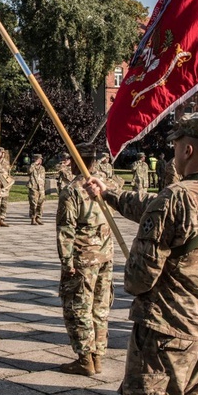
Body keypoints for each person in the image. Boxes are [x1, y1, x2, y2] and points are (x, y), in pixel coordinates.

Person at [84, 113, 198, 395]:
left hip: (167, 332)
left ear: (187, 151)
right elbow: (154, 206)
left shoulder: (175, 198)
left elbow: (139, 279)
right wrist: (109, 193)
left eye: (176, 146)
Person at [57, 143, 113, 377]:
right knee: (100, 307)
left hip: (82, 256)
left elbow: (66, 229)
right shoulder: (106, 186)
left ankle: (85, 358)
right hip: (105, 254)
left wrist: (66, 261)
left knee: (79, 307)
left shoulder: (73, 190)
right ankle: (98, 355)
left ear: (73, 160)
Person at [27, 153, 46, 225]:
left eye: (40, 159)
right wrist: (34, 163)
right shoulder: (31, 167)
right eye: (39, 159)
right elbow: (29, 171)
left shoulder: (42, 168)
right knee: (33, 204)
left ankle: (38, 217)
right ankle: (33, 218)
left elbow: (43, 179)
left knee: (40, 204)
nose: (40, 160)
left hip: (41, 188)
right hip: (33, 187)